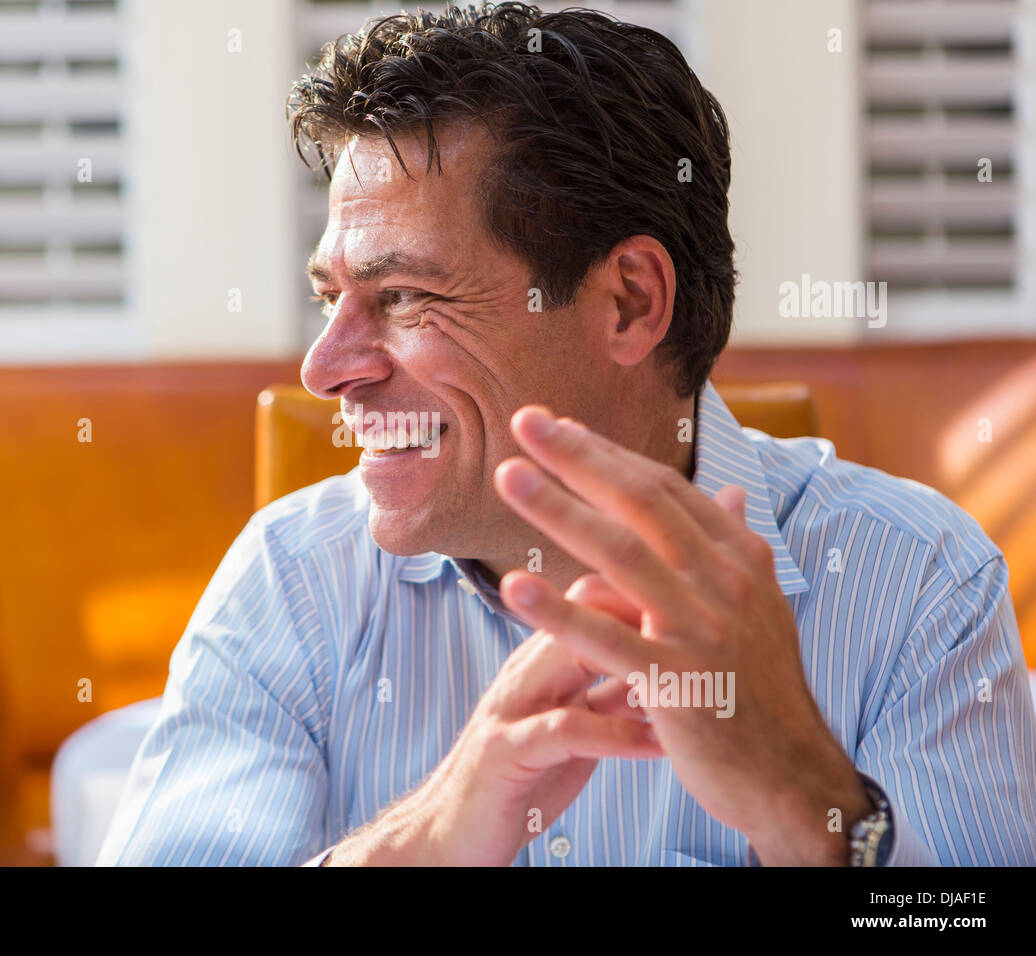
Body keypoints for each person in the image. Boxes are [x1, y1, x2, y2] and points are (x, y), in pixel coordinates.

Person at [97, 2, 1036, 866]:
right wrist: (430, 840)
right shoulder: (289, 583)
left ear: (629, 300)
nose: (327, 367)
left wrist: (813, 805)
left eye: (406, 296)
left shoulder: (916, 587)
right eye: (331, 299)